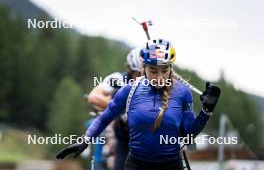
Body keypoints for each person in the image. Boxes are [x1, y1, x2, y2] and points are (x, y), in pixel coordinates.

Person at [56, 38, 221, 170]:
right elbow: (104, 118)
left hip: (171, 164)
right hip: (137, 164)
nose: (159, 77)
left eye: (164, 71)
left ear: (171, 68)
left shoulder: (183, 92)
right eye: (153, 71)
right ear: (144, 68)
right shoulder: (130, 90)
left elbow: (188, 134)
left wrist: (206, 111)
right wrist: (85, 140)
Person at [85, 47, 143, 170]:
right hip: (123, 136)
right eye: (136, 74)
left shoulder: (155, 84)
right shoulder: (119, 79)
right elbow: (93, 96)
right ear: (130, 69)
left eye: (143, 75)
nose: (139, 78)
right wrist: (119, 105)